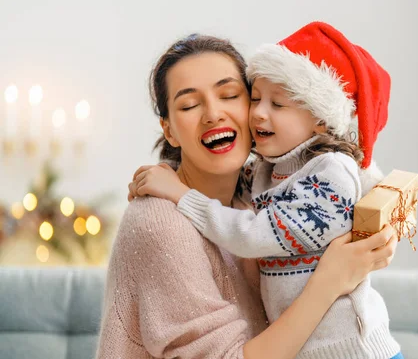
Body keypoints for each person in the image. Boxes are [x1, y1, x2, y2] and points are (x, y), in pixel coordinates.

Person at [95, 32, 398, 359]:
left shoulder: (259, 189)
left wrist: (374, 240)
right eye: (190, 104)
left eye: (229, 95)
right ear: (169, 129)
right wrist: (330, 282)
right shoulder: (160, 222)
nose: (213, 114)